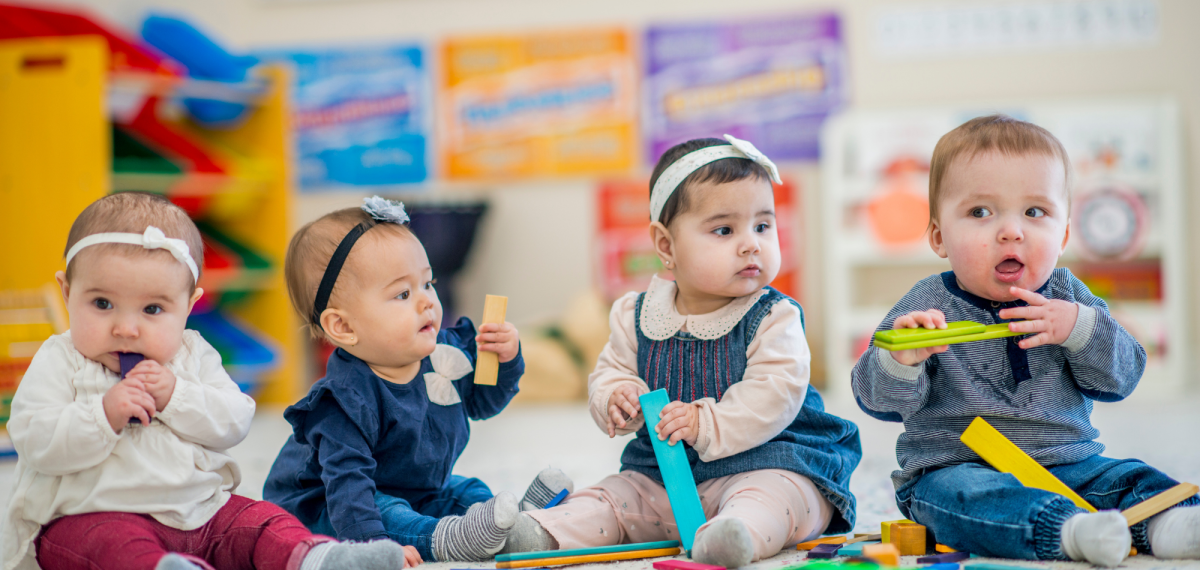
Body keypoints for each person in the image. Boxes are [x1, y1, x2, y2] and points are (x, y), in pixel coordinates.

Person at [851, 115, 1200, 567]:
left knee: (1127, 477)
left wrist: (1080, 329)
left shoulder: (1070, 296)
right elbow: (874, 397)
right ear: (939, 236)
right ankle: (1070, 532)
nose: (1011, 231)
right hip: (960, 468)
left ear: (1065, 234)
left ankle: (1165, 523)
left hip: (1066, 464)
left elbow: (1124, 375)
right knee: (952, 498)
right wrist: (901, 360)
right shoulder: (926, 305)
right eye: (980, 212)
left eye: (1035, 212)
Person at [501, 136, 862, 569]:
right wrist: (617, 398)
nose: (751, 244)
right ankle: (547, 531)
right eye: (725, 230)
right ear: (667, 246)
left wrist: (703, 421)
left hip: (768, 462)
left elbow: (776, 394)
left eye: (763, 226)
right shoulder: (634, 314)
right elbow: (609, 372)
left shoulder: (773, 315)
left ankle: (735, 536)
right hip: (661, 479)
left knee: (782, 497)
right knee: (612, 497)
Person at [2, 191, 412, 570]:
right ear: (67, 290)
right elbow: (35, 441)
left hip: (200, 510)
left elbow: (233, 420)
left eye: (152, 309)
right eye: (102, 303)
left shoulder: (193, 354)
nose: (126, 328)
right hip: (93, 515)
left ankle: (318, 559)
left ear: (189, 306)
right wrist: (103, 414)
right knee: (106, 547)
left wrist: (175, 396)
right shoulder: (61, 358)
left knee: (261, 520)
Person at [264, 197, 572, 562]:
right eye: (403, 294)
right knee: (388, 512)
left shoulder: (443, 354)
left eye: (428, 283)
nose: (427, 302)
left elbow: (482, 404)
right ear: (344, 327)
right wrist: (374, 549)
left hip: (417, 489)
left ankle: (515, 524)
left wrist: (504, 361)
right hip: (334, 506)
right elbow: (348, 487)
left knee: (469, 492)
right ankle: (448, 540)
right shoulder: (342, 402)